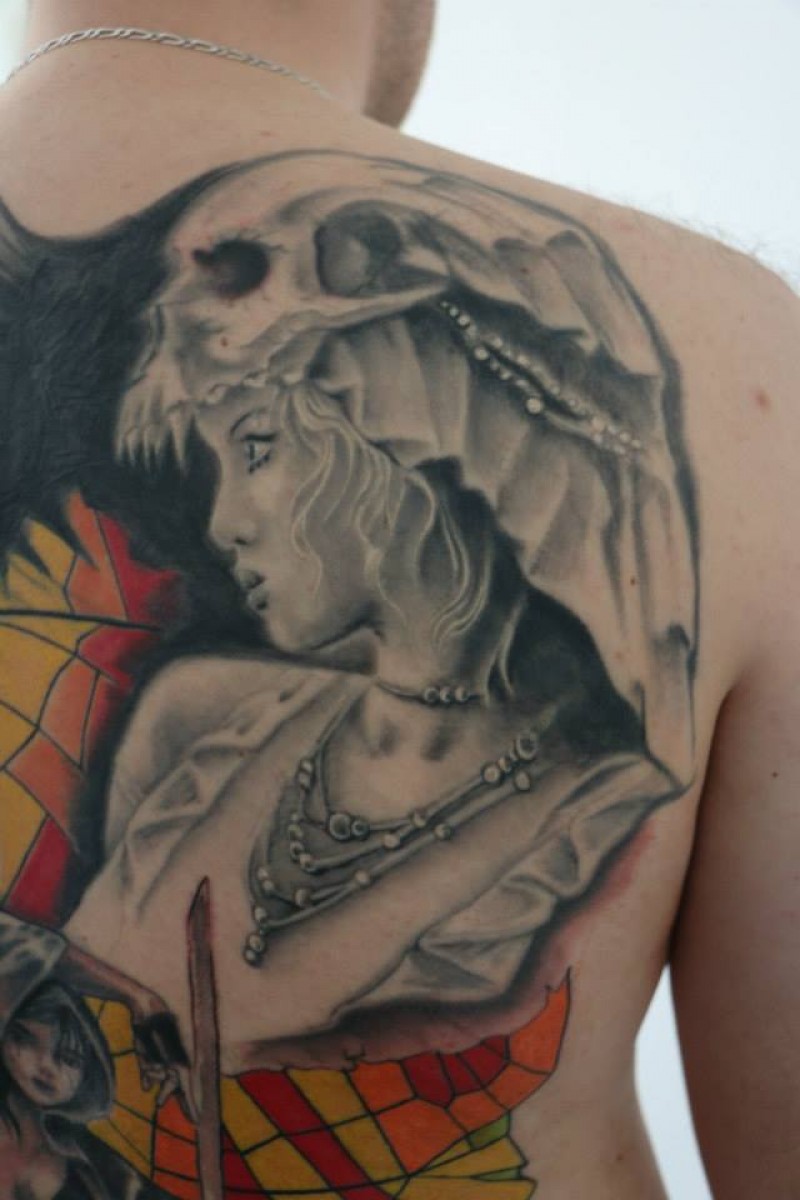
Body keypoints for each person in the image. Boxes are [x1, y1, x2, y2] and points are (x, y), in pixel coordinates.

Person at [0, 3, 797, 1198]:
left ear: (406, 431)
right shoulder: (739, 371)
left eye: (254, 448)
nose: (223, 523)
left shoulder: (582, 795)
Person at [0, 975, 172, 1199]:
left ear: (88, 1076)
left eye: (69, 1058)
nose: (47, 1066)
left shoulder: (92, 1159)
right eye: (27, 1040)